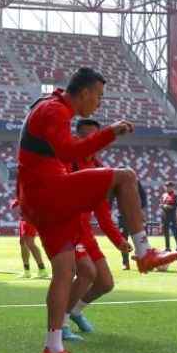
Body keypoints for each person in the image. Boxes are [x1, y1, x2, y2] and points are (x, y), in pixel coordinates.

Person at [18, 67, 177, 353]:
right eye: (99, 97)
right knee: (126, 177)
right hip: (49, 191)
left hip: (39, 200)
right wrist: (110, 132)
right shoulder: (54, 110)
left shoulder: (47, 107)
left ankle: (53, 348)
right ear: (85, 93)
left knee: (64, 272)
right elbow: (66, 154)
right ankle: (144, 253)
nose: (100, 104)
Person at [65, 118, 133, 339]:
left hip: (85, 233)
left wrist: (118, 240)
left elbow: (102, 212)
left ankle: (75, 311)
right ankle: (61, 324)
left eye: (95, 137)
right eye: (86, 136)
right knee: (86, 272)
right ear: (77, 137)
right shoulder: (66, 161)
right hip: (65, 228)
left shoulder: (100, 169)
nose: (91, 141)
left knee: (105, 283)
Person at [114, 176, 147, 271]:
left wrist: (138, 209)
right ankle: (125, 262)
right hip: (122, 216)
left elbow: (144, 198)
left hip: (135, 216)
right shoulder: (117, 183)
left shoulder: (136, 182)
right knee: (123, 239)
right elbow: (111, 198)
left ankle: (142, 261)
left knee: (139, 238)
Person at [12, 198, 48, 278]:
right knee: (22, 243)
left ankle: (42, 270)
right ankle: (26, 271)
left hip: (30, 218)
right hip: (23, 219)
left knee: (30, 243)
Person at [160, 181, 177, 252]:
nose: (168, 188)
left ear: (172, 187)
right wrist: (162, 206)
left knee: (175, 232)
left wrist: (168, 206)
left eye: (169, 186)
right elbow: (161, 204)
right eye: (167, 186)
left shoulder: (176, 195)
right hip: (165, 216)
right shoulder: (163, 195)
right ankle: (167, 247)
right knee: (166, 233)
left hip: (172, 216)